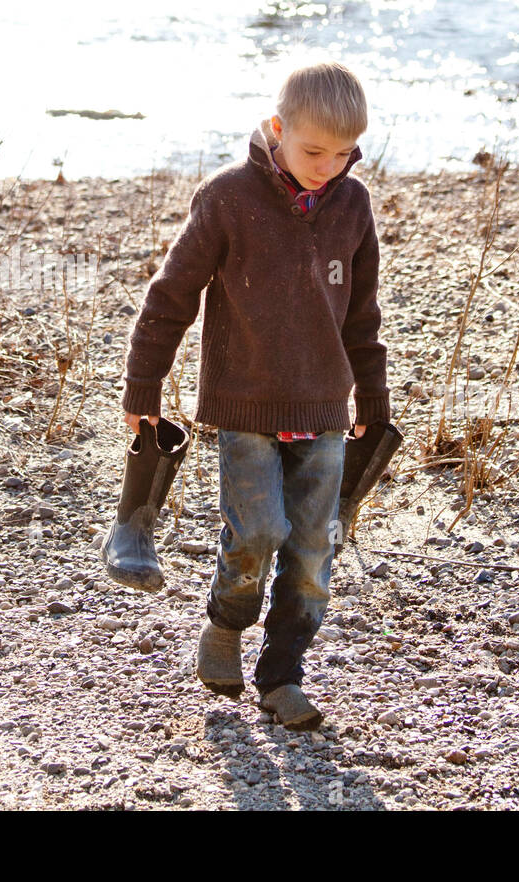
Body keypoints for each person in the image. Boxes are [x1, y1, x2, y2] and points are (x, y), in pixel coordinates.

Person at [119, 60, 390, 731]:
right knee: (258, 533)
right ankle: (226, 622)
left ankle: (283, 676)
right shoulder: (228, 199)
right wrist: (143, 387)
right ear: (277, 129)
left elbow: (362, 316)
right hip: (245, 408)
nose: (328, 167)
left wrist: (375, 404)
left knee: (312, 549)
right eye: (313, 151)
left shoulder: (353, 207)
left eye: (344, 154)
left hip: (325, 409)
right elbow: (170, 296)